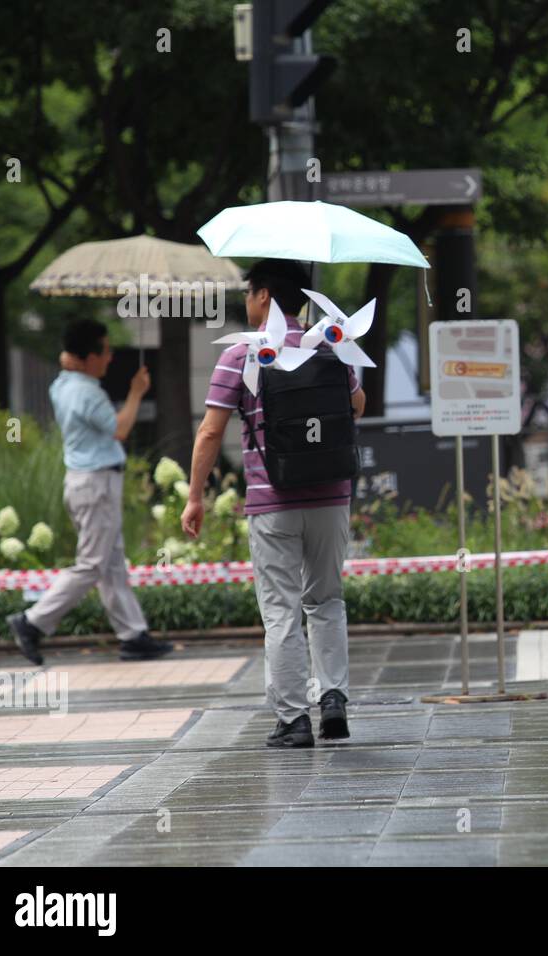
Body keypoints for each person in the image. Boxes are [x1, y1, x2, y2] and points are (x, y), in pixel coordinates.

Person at [182, 259, 365, 749]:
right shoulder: (332, 343)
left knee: (281, 609)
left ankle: (292, 720)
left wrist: (195, 495)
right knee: (326, 599)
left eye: (250, 293)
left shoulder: (244, 354)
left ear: (263, 296)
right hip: (331, 495)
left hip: (273, 500)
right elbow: (357, 404)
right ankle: (333, 701)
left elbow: (211, 430)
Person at [7, 320, 172, 665]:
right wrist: (137, 391)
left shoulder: (62, 384)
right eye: (104, 351)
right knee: (93, 564)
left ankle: (133, 636)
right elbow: (121, 429)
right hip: (96, 484)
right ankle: (32, 622)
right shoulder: (87, 392)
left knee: (110, 563)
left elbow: (69, 361)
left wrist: (73, 355)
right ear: (86, 358)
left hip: (86, 482)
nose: (110, 357)